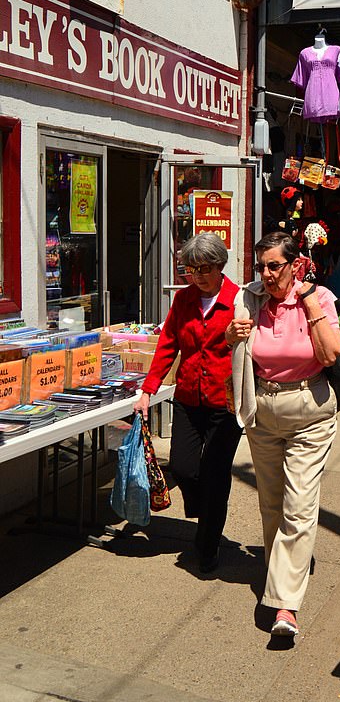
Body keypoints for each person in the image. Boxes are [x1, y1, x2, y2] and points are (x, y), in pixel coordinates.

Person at [225, 232, 340, 639]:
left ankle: (284, 605)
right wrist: (231, 338)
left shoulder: (320, 298)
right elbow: (236, 347)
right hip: (263, 411)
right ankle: (283, 570)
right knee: (271, 505)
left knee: (299, 507)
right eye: (261, 266)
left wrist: (308, 301)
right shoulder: (251, 298)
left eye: (274, 265)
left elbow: (330, 355)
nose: (266, 274)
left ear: (295, 265)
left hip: (309, 411)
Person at [133, 233, 241, 574]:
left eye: (204, 268)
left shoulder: (240, 300)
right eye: (191, 269)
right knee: (182, 467)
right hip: (189, 398)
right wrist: (148, 390)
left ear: (220, 266)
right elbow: (167, 344)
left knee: (216, 474)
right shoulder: (184, 301)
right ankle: (203, 510)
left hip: (226, 404)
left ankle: (207, 546)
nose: (198, 276)